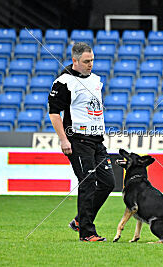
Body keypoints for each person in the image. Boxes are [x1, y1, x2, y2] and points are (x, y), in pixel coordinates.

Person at [48, 42, 115, 242]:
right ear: (75, 60)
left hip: (96, 141)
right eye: (86, 61)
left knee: (108, 182)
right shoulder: (64, 82)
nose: (90, 64)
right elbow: (54, 112)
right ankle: (87, 233)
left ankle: (79, 221)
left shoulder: (95, 80)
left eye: (92, 60)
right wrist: (63, 139)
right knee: (87, 183)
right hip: (77, 140)